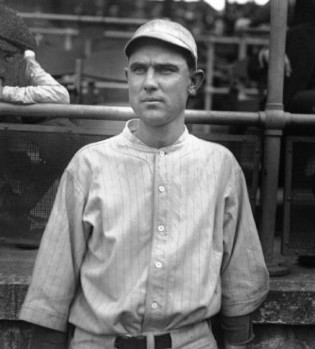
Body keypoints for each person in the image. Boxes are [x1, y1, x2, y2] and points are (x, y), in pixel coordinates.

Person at [19, 19, 269, 349]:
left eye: (165, 70)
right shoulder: (90, 164)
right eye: (139, 70)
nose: (149, 82)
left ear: (193, 83)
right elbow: (52, 288)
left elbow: (239, 280)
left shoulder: (220, 165)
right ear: (127, 79)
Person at [0, 4, 70, 240]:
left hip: (10, 136)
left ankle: (16, 211)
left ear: (22, 55)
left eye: (9, 56)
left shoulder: (28, 65)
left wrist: (6, 94)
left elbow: (61, 96)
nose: (1, 64)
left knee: (65, 133)